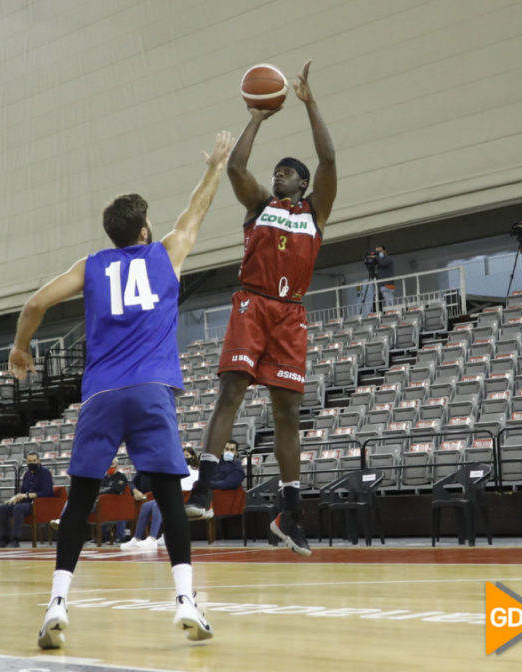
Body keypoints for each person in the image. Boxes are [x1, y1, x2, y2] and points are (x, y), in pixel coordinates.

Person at [9, 128, 235, 648]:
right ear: (144, 230)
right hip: (151, 390)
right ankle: (186, 602)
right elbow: (195, 213)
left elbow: (34, 306)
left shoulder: (91, 266)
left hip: (102, 396)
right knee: (170, 502)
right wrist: (215, 166)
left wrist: (22, 349)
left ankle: (56, 605)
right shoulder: (165, 254)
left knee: (79, 502)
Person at [185, 61, 336, 561]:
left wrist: (310, 103)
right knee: (231, 390)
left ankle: (289, 512)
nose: (278, 175)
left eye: (287, 172)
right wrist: (258, 117)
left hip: (291, 314)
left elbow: (330, 159)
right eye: (276, 171)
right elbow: (235, 168)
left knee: (288, 413)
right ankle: (203, 490)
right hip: (253, 303)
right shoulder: (258, 205)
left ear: (302, 183)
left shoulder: (315, 212)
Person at [120, 447, 199, 552]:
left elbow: (191, 486)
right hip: (173, 495)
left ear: (193, 457)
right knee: (146, 506)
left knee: (157, 505)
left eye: (187, 456)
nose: (184, 458)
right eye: (182, 456)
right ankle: (136, 538)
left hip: (185, 497)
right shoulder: (177, 467)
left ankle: (152, 538)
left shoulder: (195, 470)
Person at [0, 452, 53, 547]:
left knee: (19, 508)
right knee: (3, 508)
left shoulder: (45, 473)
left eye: (34, 461)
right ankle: (4, 539)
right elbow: (22, 491)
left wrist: (27, 495)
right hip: (25, 502)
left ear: (38, 460)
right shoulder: (26, 474)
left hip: (38, 504)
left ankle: (15, 540)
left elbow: (47, 492)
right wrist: (15, 498)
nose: (32, 463)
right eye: (29, 461)